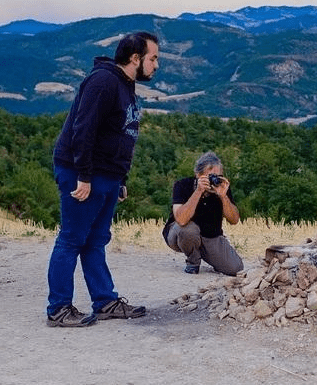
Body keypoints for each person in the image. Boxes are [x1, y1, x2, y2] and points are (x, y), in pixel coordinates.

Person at [46, 32, 160, 327]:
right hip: (82, 172)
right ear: (135, 58)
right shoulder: (103, 81)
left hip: (106, 175)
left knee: (96, 240)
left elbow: (120, 135)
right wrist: (83, 176)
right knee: (71, 239)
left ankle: (105, 301)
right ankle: (58, 309)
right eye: (153, 58)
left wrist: (120, 179)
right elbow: (83, 130)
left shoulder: (125, 84)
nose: (156, 65)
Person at [162, 151, 244, 276]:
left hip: (210, 236)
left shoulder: (222, 188)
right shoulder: (182, 185)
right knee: (188, 230)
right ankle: (193, 262)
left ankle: (209, 256)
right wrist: (199, 191)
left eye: (217, 176)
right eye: (210, 177)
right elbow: (181, 220)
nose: (214, 181)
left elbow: (234, 220)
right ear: (198, 174)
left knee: (236, 268)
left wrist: (223, 197)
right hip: (180, 234)